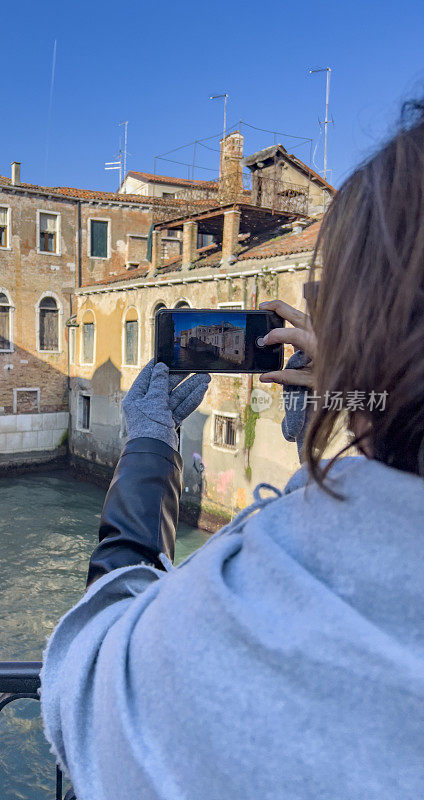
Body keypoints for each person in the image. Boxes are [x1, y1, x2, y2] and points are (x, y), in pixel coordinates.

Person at [40, 102, 424, 799]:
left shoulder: (269, 578)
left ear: (362, 321)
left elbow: (86, 682)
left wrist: (151, 445)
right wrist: (362, 395)